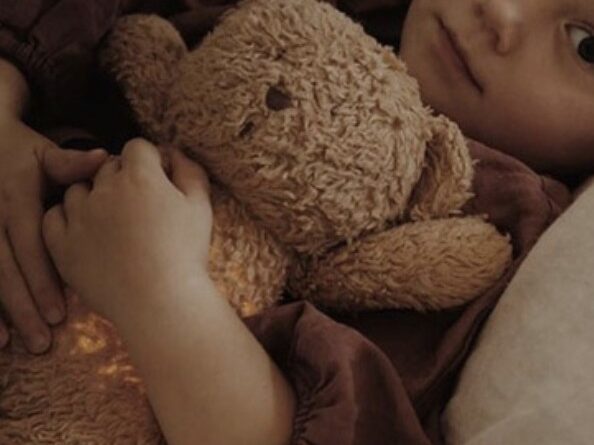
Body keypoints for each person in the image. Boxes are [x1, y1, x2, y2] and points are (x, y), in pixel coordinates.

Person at [0, 0, 582, 443]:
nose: (500, 10)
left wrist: (162, 293)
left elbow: (349, 422)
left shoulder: (489, 237)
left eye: (587, 46)